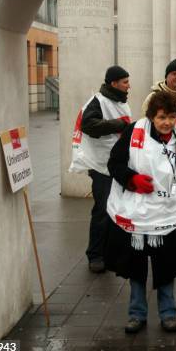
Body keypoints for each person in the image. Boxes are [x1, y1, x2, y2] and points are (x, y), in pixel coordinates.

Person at [105, 91, 176, 334]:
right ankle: (137, 314)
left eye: (171, 117)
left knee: (165, 264)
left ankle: (168, 313)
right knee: (136, 267)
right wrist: (132, 179)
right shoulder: (134, 132)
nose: (166, 122)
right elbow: (114, 162)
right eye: (161, 117)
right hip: (136, 211)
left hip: (164, 213)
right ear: (151, 117)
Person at [69, 65, 132, 273]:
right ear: (114, 83)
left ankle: (107, 253)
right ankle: (95, 255)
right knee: (103, 211)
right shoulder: (98, 102)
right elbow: (89, 126)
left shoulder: (119, 101)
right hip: (101, 166)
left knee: (115, 210)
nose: (128, 86)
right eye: (125, 82)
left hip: (115, 164)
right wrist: (118, 125)